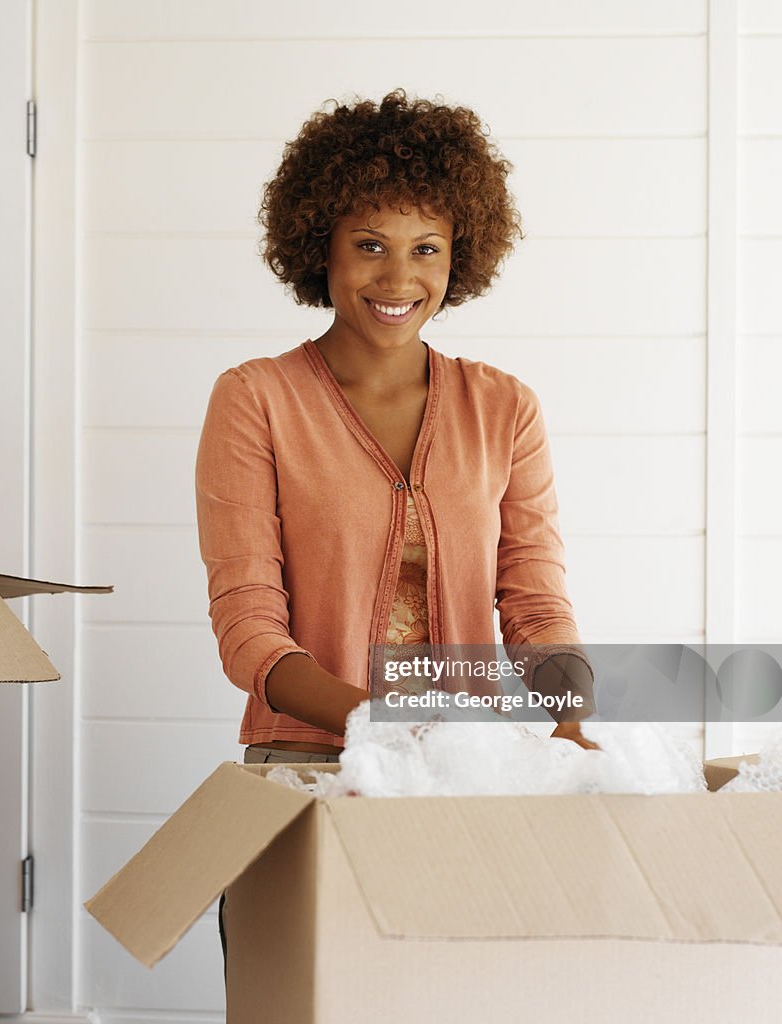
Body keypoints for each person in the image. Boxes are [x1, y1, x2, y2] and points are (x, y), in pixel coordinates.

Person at [197, 89, 596, 980]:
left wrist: (571, 730)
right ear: (321, 246)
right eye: (369, 245)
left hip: (464, 774)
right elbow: (249, 628)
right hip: (303, 767)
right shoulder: (255, 399)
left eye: (427, 249)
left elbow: (535, 603)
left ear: (462, 256)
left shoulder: (504, 408)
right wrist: (372, 724)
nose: (397, 278)